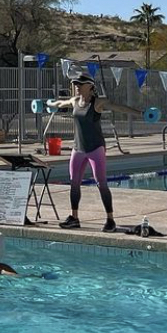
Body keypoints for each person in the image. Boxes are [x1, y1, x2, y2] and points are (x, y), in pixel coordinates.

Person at [45, 73, 115, 232]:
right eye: (75, 84)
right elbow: (61, 103)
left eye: (80, 84)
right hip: (78, 148)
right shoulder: (75, 101)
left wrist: (142, 114)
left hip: (95, 148)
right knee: (74, 182)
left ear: (90, 86)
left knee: (101, 183)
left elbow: (118, 107)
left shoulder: (97, 103)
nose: (76, 86)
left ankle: (110, 220)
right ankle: (74, 217)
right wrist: (49, 103)